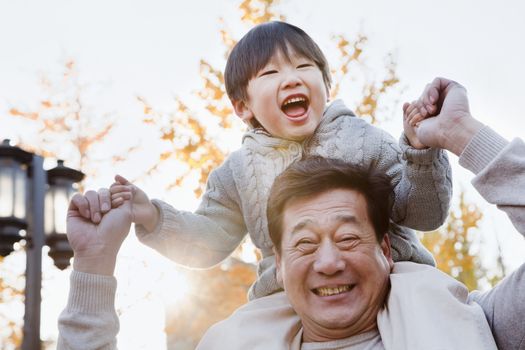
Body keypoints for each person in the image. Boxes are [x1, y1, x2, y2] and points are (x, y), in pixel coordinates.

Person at [59, 77, 524, 349]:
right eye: (303, 243)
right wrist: (94, 265)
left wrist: (463, 134)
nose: (328, 262)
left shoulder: (474, 323)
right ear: (278, 265)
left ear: (386, 248)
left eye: (347, 238)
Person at [108, 20, 450, 305]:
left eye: (304, 66)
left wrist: (421, 153)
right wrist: (153, 217)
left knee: (435, 311)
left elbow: (424, 213)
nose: (291, 78)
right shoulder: (238, 173)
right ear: (243, 106)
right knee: (234, 336)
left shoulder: (364, 140)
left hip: (391, 281)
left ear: (326, 86)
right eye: (270, 73)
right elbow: (208, 240)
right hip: (288, 298)